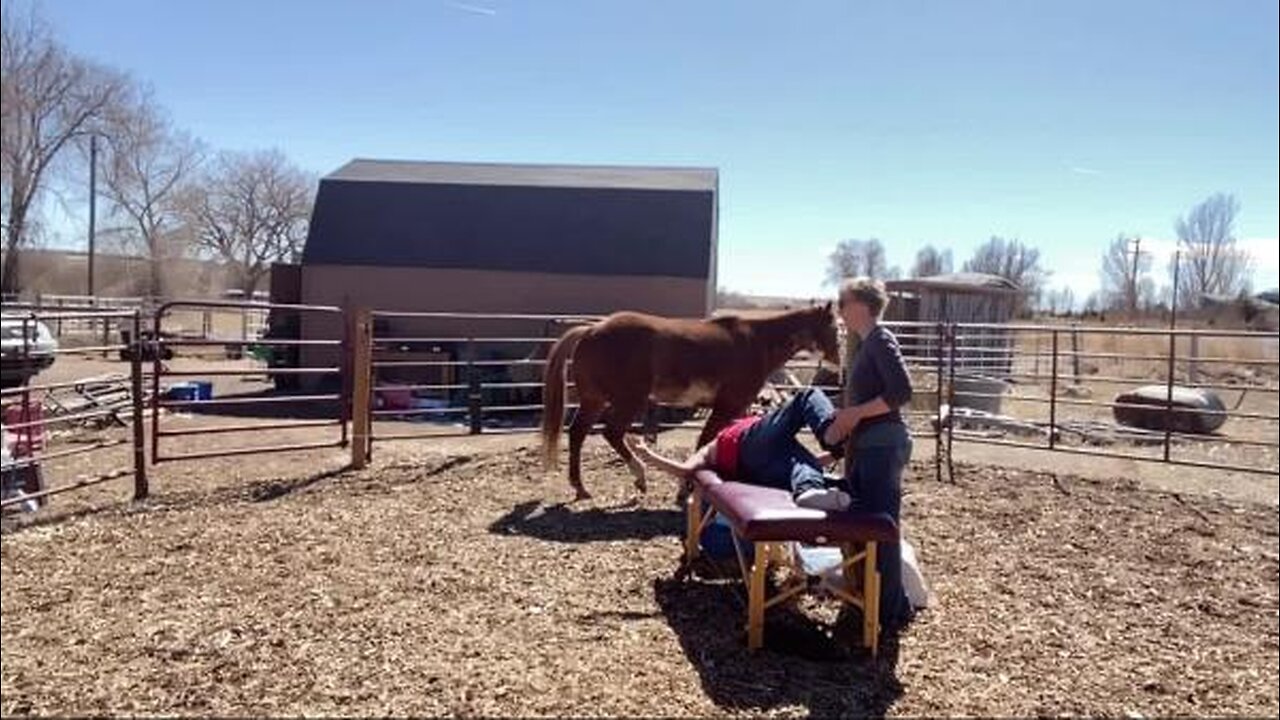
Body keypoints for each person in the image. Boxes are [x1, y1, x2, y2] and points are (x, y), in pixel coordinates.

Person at [631, 276, 916, 629]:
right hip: (857, 445)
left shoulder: (879, 340)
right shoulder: (867, 344)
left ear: (860, 305)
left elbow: (902, 391)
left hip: (876, 444)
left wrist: (850, 419)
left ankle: (888, 606)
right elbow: (691, 469)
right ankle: (887, 604)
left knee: (877, 523)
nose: (840, 311)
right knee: (870, 514)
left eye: (843, 303)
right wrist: (649, 457)